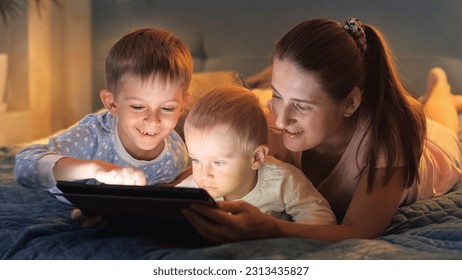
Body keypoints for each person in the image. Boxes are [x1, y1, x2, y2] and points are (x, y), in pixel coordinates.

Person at [182, 18, 462, 243]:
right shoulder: (267, 121)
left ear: (350, 102)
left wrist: (271, 228)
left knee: (440, 122)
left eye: (302, 106)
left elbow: (359, 230)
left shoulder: (387, 138)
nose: (280, 121)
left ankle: (441, 88)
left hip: (434, 152)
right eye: (278, 95)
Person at [14, 28, 193, 204]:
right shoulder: (92, 136)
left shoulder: (175, 156)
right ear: (111, 103)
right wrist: (96, 169)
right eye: (138, 106)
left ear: (182, 106)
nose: (153, 120)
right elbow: (24, 166)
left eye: (168, 108)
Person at [178, 85, 336, 224]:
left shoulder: (282, 181)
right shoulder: (194, 188)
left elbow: (321, 218)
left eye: (218, 163)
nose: (203, 175)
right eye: (196, 160)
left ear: (256, 158)